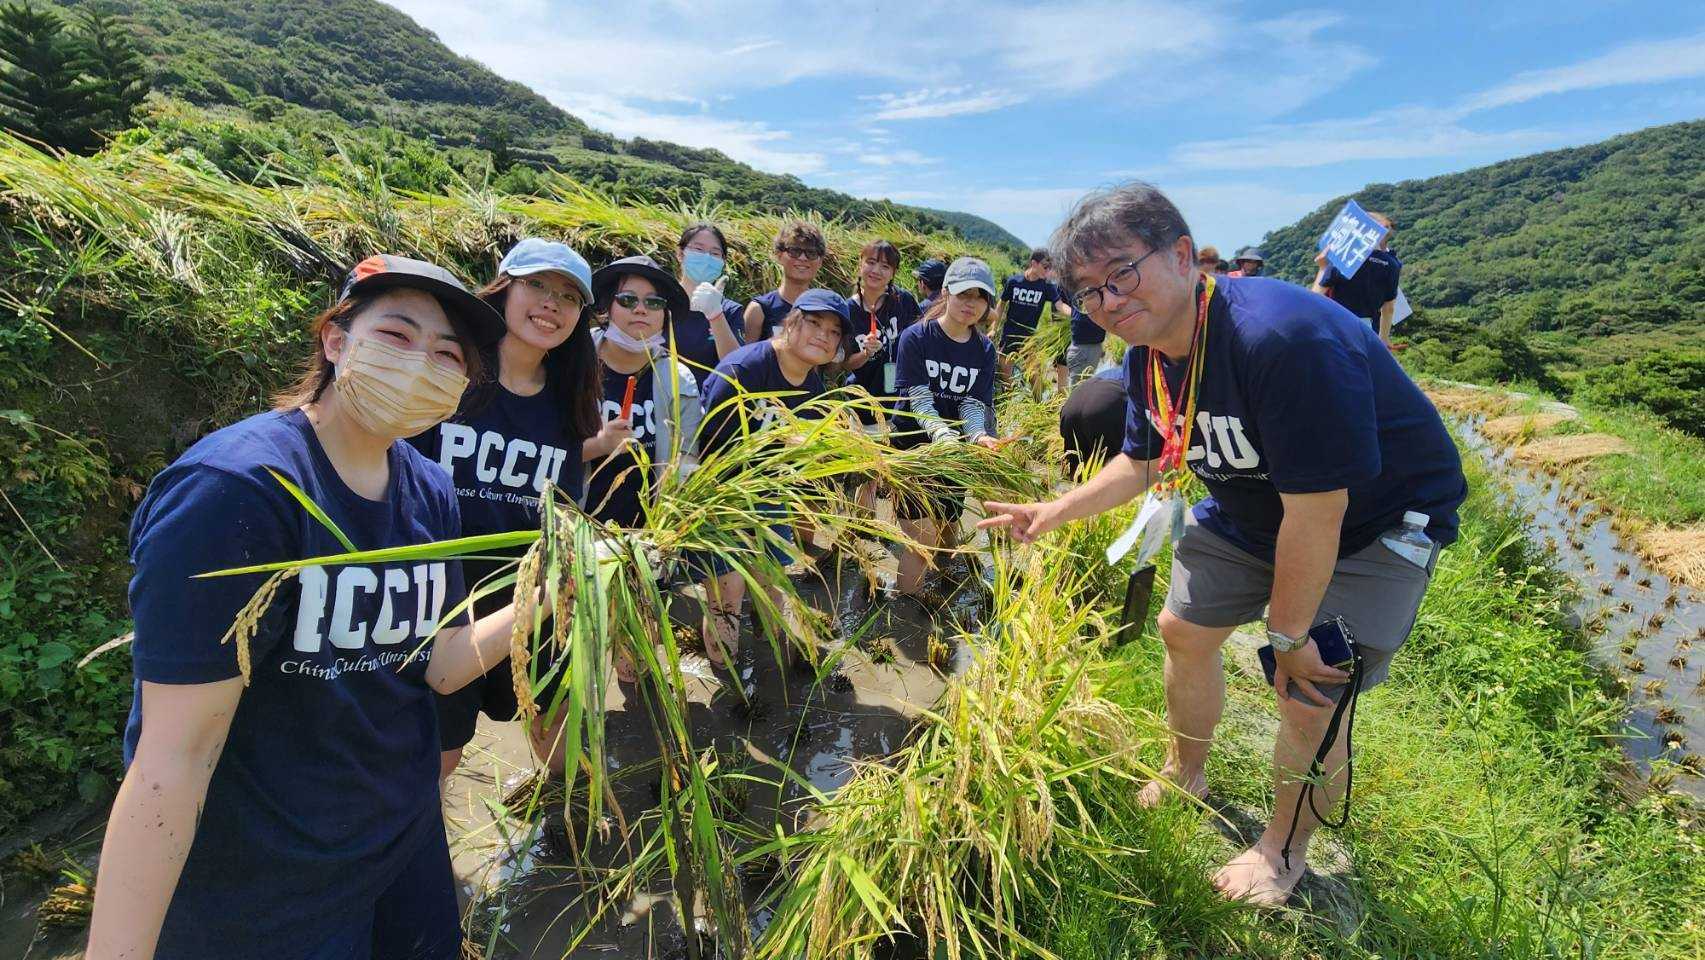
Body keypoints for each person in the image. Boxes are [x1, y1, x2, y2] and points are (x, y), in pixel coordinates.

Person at [980, 182, 1466, 908]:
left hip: (1373, 519)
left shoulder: (1278, 339)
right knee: (1182, 629)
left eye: (1121, 274)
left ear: (1182, 255)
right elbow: (1143, 459)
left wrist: (1288, 632)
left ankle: (1282, 851)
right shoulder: (1147, 353)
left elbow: (1318, 514)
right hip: (1250, 502)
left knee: (1307, 687)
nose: (1107, 301)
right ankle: (1187, 771)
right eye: (1087, 292)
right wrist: (1055, 510)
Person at [88, 255, 549, 960]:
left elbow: (444, 666)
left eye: (448, 353)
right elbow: (173, 760)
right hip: (267, 886)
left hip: (402, 844)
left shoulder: (429, 488)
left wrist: (560, 585)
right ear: (337, 339)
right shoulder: (237, 491)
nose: (422, 362)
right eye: (397, 335)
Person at [408, 238, 602, 781]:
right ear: (504, 288)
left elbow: (562, 506)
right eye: (536, 286)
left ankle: (574, 826)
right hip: (439, 597)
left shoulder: (569, 395)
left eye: (568, 296)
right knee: (440, 754)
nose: (550, 304)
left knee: (557, 720)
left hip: (531, 591)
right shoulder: (450, 372)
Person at [698, 289, 852, 668]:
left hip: (770, 493)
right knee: (727, 595)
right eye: (814, 323)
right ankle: (728, 676)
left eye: (834, 332)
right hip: (720, 496)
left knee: (774, 580)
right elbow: (700, 443)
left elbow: (804, 449)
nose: (823, 336)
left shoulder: (812, 384)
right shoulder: (744, 370)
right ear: (792, 322)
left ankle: (775, 659)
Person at [892, 257, 1000, 597]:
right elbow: (920, 398)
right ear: (945, 292)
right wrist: (942, 435)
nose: (971, 304)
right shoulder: (916, 337)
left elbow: (971, 402)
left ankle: (943, 592)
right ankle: (908, 610)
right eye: (963, 293)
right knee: (919, 541)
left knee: (946, 528)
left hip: (954, 456)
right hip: (915, 449)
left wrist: (978, 434)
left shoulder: (984, 349)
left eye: (980, 297)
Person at [583, 255, 700, 532]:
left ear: (664, 316)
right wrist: (600, 445)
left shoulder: (679, 381)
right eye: (627, 300)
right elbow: (543, 451)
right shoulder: (572, 362)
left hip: (644, 537)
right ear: (607, 308)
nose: (640, 310)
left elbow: (685, 461)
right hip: (573, 526)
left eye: (654, 302)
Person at [672, 222, 746, 390]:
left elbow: (736, 368)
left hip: (707, 406)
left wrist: (715, 314)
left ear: (723, 262)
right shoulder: (660, 303)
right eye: (698, 249)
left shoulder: (730, 311)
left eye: (715, 253)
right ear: (680, 254)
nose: (706, 258)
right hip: (657, 404)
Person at [1312, 212, 1402, 346]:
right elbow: (1388, 308)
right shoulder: (1393, 264)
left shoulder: (1346, 256)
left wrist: (1323, 268)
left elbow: (1314, 299)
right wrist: (1383, 340)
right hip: (1366, 331)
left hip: (1336, 328)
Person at [743, 220, 826, 343]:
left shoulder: (825, 310)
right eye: (794, 251)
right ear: (779, 255)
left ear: (820, 261)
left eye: (811, 253)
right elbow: (744, 358)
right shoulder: (759, 310)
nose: (803, 258)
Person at [994, 248, 1072, 378]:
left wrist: (1076, 315)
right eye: (1045, 267)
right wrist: (994, 328)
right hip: (1009, 337)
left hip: (1029, 340)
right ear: (1034, 263)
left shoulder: (1047, 286)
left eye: (1049, 268)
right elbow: (1001, 304)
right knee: (1006, 378)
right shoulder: (1014, 282)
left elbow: (1060, 306)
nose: (1047, 271)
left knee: (1035, 378)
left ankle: (1037, 398)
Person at [1054, 303, 1108, 390]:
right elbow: (1059, 306)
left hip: (1094, 344)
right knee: (1077, 388)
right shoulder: (1072, 293)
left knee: (1084, 385)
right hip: (1080, 346)